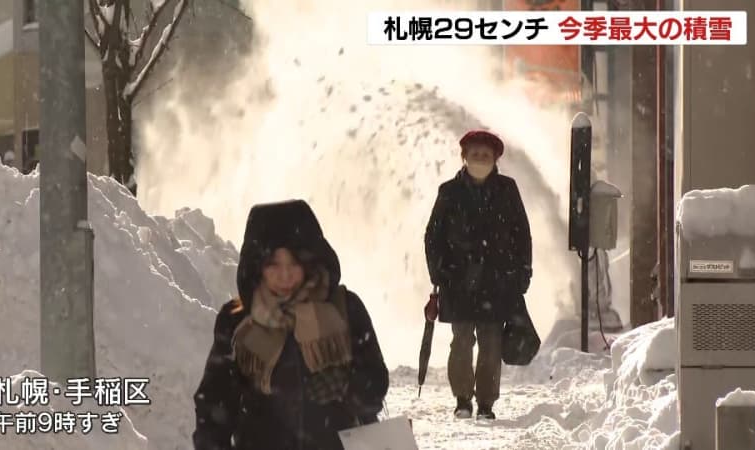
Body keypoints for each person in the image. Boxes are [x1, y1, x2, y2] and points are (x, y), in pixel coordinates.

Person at [192, 199, 389, 450]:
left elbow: (375, 386)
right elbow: (214, 404)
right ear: (257, 266)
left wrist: (347, 386)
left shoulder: (345, 309)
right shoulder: (237, 321)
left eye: (294, 263)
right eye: (273, 264)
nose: (285, 275)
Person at [424, 129, 533, 420]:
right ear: (464, 157)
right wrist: (439, 272)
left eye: (486, 155)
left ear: (496, 159)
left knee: (491, 342)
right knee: (461, 340)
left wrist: (523, 271)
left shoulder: (507, 190)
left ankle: (486, 402)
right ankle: (462, 398)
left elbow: (522, 233)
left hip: (496, 281)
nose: (480, 159)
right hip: (457, 281)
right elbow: (433, 236)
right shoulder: (449, 192)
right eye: (475, 154)